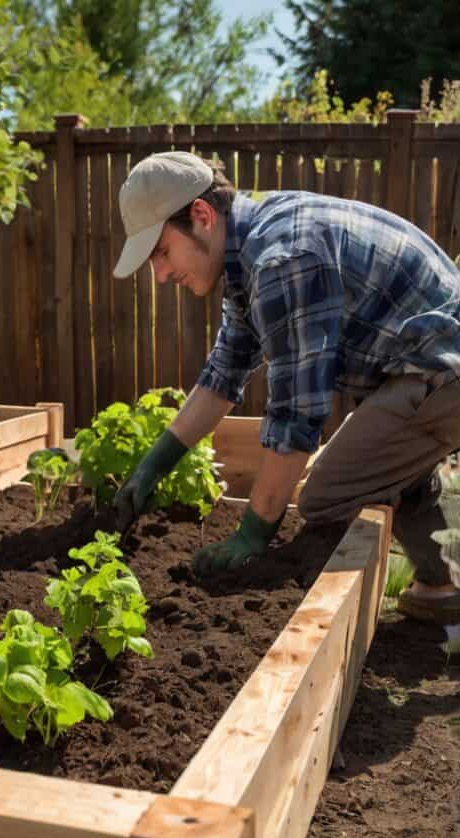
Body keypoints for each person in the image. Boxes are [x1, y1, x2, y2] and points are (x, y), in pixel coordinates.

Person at [111, 150, 460, 625]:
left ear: (201, 215)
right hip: (424, 373)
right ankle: (441, 588)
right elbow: (225, 372)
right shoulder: (249, 254)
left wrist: (254, 533)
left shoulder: (282, 258)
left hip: (442, 374)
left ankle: (334, 616)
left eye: (162, 252)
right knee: (380, 457)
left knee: (323, 496)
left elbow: (298, 414)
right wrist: (154, 464)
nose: (161, 274)